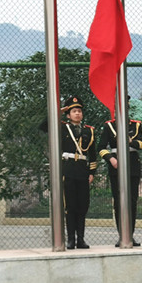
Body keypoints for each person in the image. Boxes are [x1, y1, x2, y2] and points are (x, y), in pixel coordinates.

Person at [40, 96, 97, 249]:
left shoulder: (89, 131)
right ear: (68, 114)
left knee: (82, 206)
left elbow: (93, 153)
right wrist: (58, 112)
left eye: (79, 111)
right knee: (70, 206)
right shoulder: (62, 127)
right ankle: (70, 239)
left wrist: (92, 172)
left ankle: (81, 239)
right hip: (68, 170)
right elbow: (44, 127)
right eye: (74, 111)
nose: (77, 114)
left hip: (83, 171)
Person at [97, 97, 142, 246]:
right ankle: (121, 235)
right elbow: (101, 147)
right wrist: (111, 159)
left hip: (132, 164)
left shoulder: (136, 126)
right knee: (119, 201)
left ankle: (130, 235)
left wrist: (131, 141)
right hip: (116, 164)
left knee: (132, 201)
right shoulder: (109, 126)